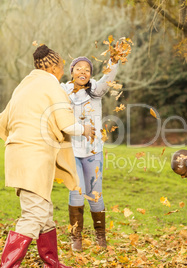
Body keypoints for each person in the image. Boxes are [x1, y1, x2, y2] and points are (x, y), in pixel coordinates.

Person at [0, 45, 95, 267]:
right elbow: (66, 123)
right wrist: (85, 129)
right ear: (53, 67)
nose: (62, 71)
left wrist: (17, 143)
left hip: (18, 155)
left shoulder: (23, 86)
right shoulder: (52, 86)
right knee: (33, 215)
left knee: (44, 211)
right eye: (61, 66)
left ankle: (52, 262)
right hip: (35, 157)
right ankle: (6, 265)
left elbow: (1, 123)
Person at [60, 56, 119, 251]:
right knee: (76, 193)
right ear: (72, 72)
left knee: (95, 194)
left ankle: (100, 235)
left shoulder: (96, 91)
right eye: (78, 68)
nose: (83, 72)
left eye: (87, 69)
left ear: (91, 74)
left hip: (93, 151)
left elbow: (108, 78)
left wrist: (114, 60)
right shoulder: (63, 90)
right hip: (71, 150)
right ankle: (76, 237)